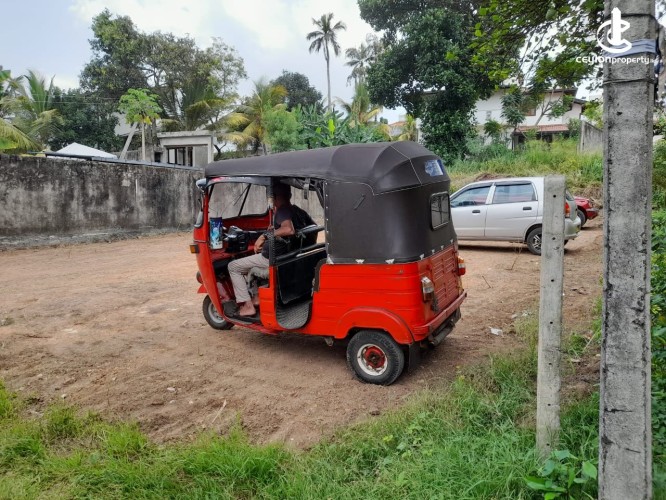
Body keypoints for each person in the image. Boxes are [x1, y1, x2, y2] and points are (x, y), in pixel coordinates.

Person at [228, 183, 300, 317]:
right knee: (250, 261)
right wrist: (272, 232)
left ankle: (247, 306)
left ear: (274, 197)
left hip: (271, 259)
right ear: (289, 194)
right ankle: (257, 298)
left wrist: (264, 236)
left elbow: (289, 229)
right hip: (284, 256)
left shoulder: (283, 210)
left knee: (233, 266)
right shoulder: (294, 210)